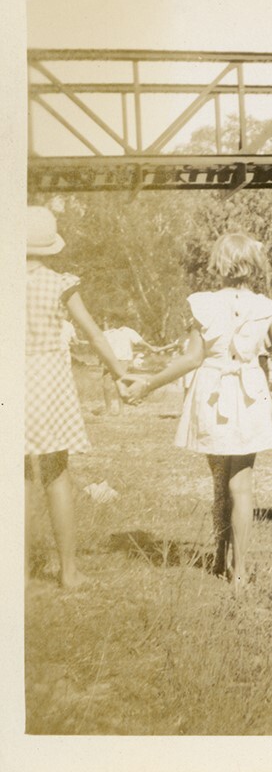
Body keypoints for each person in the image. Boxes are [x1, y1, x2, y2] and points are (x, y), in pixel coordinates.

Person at [122, 232, 272, 588]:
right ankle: (238, 572)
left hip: (211, 393)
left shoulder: (204, 303)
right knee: (243, 484)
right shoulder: (266, 307)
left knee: (219, 480)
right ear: (255, 266)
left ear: (219, 264)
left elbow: (192, 358)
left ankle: (219, 553)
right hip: (249, 394)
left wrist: (147, 384)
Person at [25, 207, 128, 588]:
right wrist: (121, 373)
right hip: (48, 383)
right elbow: (94, 335)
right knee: (56, 473)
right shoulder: (59, 284)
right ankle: (69, 572)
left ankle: (16, 572)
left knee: (17, 476)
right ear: (50, 247)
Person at [102, 319, 174, 415]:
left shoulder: (128, 331)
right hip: (109, 360)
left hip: (123, 360)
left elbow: (140, 341)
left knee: (120, 385)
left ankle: (121, 412)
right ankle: (108, 410)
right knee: (106, 386)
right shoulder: (106, 333)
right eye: (109, 321)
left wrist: (151, 348)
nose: (111, 323)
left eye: (112, 320)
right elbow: (98, 344)